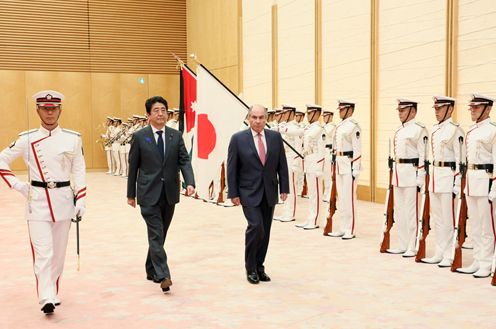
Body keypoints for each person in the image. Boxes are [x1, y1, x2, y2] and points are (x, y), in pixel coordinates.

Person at [0, 90, 86, 314]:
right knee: (44, 251)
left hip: (64, 200)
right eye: (45, 108)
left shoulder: (72, 138)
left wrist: (82, 200)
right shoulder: (26, 138)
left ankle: (53, 291)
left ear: (60, 110)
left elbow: (79, 169)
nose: (50, 112)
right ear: (37, 110)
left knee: (58, 253)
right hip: (36, 201)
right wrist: (18, 186)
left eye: (54, 108)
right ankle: (46, 295)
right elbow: (2, 160)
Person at [127, 96, 195, 293]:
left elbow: (184, 160)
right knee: (156, 233)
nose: (160, 114)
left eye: (163, 110)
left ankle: (151, 268)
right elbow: (134, 168)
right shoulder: (140, 137)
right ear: (148, 115)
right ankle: (163, 274)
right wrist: (131, 194)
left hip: (169, 193)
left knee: (161, 233)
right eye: (156, 110)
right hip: (148, 193)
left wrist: (189, 181)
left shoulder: (175, 135)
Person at [227, 104, 289, 284]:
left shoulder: (275, 137)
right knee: (256, 226)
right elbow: (232, 167)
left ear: (266, 119)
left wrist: (284, 187)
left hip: (269, 191)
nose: (258, 121)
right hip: (248, 191)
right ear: (248, 118)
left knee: (266, 231)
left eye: (261, 117)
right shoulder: (238, 139)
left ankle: (260, 266)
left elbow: (281, 164)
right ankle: (250, 268)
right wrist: (233, 192)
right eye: (254, 117)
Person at [421, 96, 464, 267]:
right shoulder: (434, 130)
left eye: (440, 108)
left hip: (448, 178)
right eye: (435, 108)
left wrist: (457, 183)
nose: (436, 112)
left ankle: (450, 253)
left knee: (448, 219)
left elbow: (461, 160)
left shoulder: (455, 130)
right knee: (437, 219)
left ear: (450, 109)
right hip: (435, 177)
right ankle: (440, 251)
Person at [456, 94, 496, 278]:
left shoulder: (493, 130)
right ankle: (478, 260)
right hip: (472, 181)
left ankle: (487, 264)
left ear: (488, 109)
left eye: (476, 107)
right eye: (471, 107)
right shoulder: (471, 131)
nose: (472, 110)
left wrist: (494, 187)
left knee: (487, 227)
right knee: (476, 226)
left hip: (486, 181)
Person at [386, 99, 428, 257]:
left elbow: (423, 155)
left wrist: (421, 176)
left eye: (402, 110)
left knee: (411, 213)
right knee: (400, 212)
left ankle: (413, 245)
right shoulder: (399, 130)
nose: (399, 113)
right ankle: (402, 244)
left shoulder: (419, 129)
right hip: (398, 174)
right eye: (399, 110)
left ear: (412, 111)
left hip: (411, 174)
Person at [327, 100, 361, 239]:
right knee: (341, 198)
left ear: (349, 110)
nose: (339, 111)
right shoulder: (340, 126)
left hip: (349, 164)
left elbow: (357, 149)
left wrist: (356, 169)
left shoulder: (354, 126)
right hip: (339, 164)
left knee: (349, 198)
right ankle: (342, 227)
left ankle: (350, 229)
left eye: (342, 109)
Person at [296, 104, 324, 230]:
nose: (307, 115)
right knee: (311, 193)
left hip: (315, 162)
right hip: (308, 161)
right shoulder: (309, 128)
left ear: (316, 113)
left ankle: (315, 219)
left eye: (309, 113)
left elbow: (322, 150)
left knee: (316, 194)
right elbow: (298, 133)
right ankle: (310, 217)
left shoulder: (319, 129)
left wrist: (320, 167)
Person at [321, 109, 336, 202]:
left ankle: (329, 193)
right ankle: (326, 193)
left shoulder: (332, 126)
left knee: (328, 174)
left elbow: (325, 133)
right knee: (325, 174)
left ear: (330, 116)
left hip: (329, 151)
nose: (324, 118)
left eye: (325, 116)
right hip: (323, 151)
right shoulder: (324, 126)